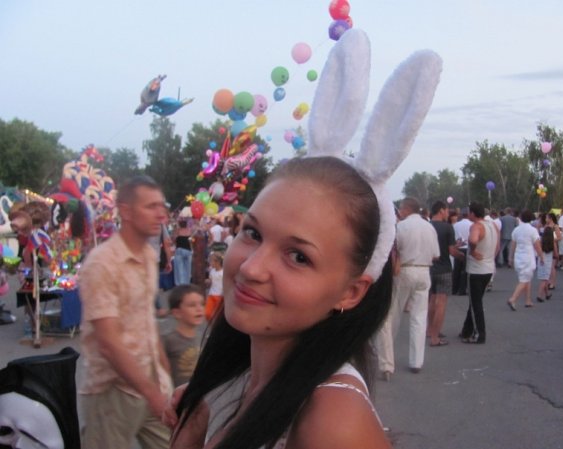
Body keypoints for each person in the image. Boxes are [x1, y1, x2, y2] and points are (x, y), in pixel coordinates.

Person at [169, 157, 394, 449]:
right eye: (253, 233)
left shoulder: (332, 422)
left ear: (350, 293)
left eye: (298, 257)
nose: (251, 268)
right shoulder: (264, 382)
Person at [78, 175, 172, 449]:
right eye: (151, 206)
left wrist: (164, 374)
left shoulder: (148, 256)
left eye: (162, 206)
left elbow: (146, 321)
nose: (161, 214)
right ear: (126, 212)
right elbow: (108, 343)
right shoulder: (102, 263)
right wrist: (151, 394)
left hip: (150, 382)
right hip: (111, 392)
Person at [375, 197, 439, 375]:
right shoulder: (429, 227)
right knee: (419, 317)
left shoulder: (401, 227)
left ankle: (387, 361)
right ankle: (416, 361)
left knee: (390, 315)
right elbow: (436, 254)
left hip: (404, 270)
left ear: (406, 209)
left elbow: (393, 251)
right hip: (424, 270)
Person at [460, 202, 499, 344]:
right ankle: (467, 329)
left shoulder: (476, 226)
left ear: (472, 213)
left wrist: (472, 250)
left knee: (476, 303)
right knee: (475, 301)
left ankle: (479, 334)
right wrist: (491, 257)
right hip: (488, 268)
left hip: (476, 270)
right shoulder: (493, 225)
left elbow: (472, 240)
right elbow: (498, 245)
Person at [428, 200, 464, 347]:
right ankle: (435, 337)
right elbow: (451, 251)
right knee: (441, 303)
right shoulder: (447, 227)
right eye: (447, 210)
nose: (448, 213)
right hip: (444, 268)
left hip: (430, 268)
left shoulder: (427, 226)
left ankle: (429, 330)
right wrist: (462, 256)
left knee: (432, 300)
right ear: (441, 210)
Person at [162, 284, 205, 387]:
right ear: (177, 313)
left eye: (202, 304)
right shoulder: (168, 340)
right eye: (192, 305)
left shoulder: (203, 338)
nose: (199, 309)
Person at [507, 210, 544, 310]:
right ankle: (513, 299)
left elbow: (513, 245)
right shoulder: (532, 230)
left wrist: (510, 258)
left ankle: (528, 300)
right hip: (528, 257)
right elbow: (537, 246)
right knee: (524, 280)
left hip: (518, 257)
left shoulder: (516, 230)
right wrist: (541, 256)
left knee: (525, 278)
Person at [452, 208, 471, 295]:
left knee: (457, 269)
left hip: (458, 247)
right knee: (465, 270)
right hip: (467, 248)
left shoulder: (456, 225)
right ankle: (462, 289)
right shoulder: (471, 224)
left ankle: (454, 288)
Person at [536, 226, 556, 302]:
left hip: (541, 260)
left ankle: (547, 294)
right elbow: (556, 253)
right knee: (545, 279)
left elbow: (538, 249)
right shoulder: (552, 242)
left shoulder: (541, 241)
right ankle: (539, 295)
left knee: (544, 277)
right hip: (548, 260)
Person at [204, 252, 224, 322]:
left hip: (220, 296)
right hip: (211, 295)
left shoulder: (223, 272)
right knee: (207, 313)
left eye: (211, 261)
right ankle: (211, 324)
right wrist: (207, 281)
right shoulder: (212, 271)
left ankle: (216, 326)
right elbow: (210, 281)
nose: (210, 263)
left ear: (217, 262)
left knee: (218, 315)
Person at [173, 219, 193, 286]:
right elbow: (191, 241)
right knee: (188, 269)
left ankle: (180, 285)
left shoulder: (177, 231)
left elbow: (173, 240)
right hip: (188, 250)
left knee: (179, 269)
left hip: (180, 250)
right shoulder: (189, 230)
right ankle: (187, 284)